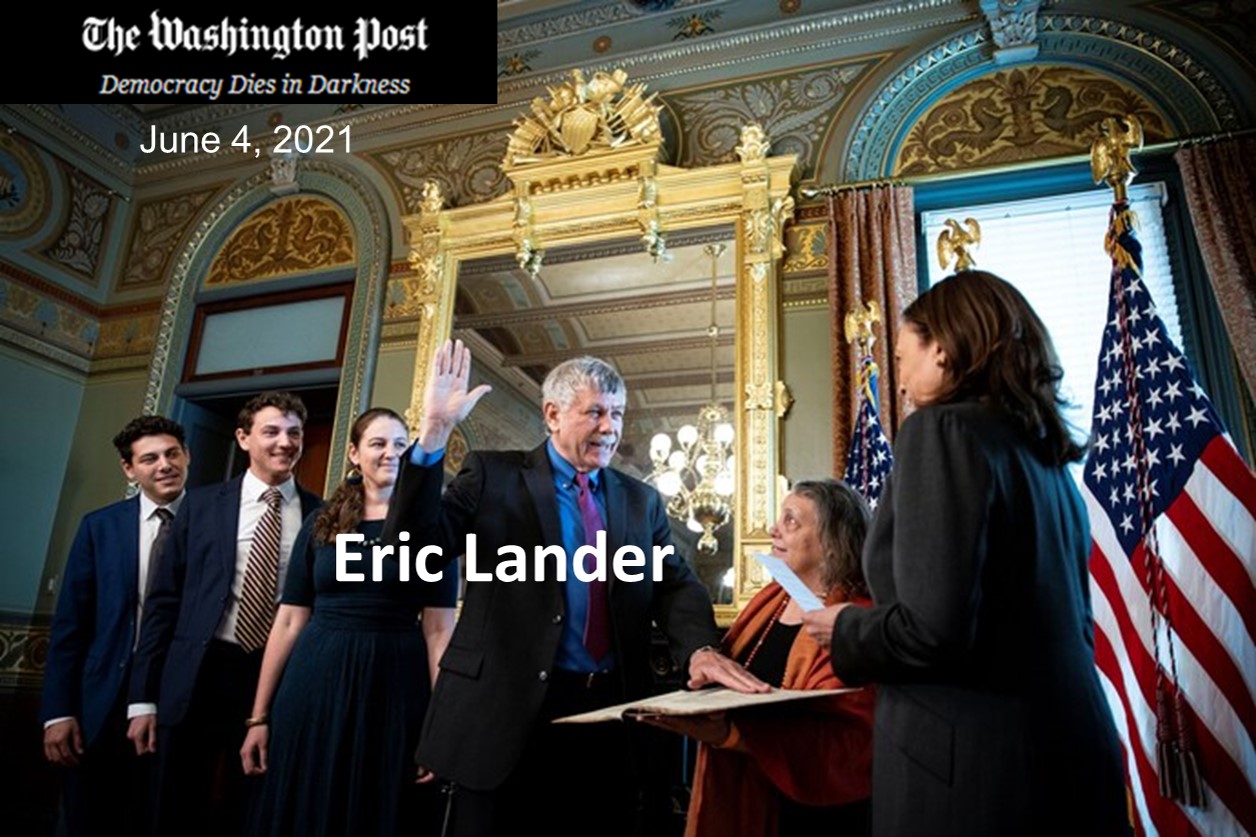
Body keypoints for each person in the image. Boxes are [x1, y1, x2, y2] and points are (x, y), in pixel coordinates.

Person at [382, 339, 767, 837]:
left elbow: (674, 584)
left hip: (607, 720)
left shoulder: (641, 501)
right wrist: (434, 432)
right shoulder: (492, 475)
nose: (611, 428)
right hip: (504, 720)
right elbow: (412, 553)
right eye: (596, 413)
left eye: (618, 414)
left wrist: (698, 649)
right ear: (552, 414)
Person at [801, 271, 1131, 836]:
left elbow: (934, 630)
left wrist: (846, 628)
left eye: (902, 358)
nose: (900, 383)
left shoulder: (941, 432)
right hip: (1068, 756)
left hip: (973, 776)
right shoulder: (1045, 459)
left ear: (943, 350)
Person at [241, 407, 458, 836]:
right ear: (355, 454)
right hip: (315, 680)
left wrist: (440, 725)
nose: (391, 453)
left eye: (401, 445)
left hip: (396, 685)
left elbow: (439, 631)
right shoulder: (321, 523)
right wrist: (258, 717)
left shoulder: (433, 530)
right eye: (378, 443)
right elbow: (289, 620)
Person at [127, 391, 322, 837]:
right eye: (271, 431)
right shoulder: (198, 505)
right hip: (199, 672)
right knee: (177, 805)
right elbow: (162, 605)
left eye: (294, 433)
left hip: (277, 677)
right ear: (243, 438)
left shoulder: (322, 515)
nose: (285, 442)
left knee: (253, 803)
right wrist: (143, 698)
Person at [643, 480, 874, 837]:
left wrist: (731, 734)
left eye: (791, 520)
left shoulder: (856, 620)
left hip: (812, 815)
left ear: (833, 541)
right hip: (743, 796)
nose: (772, 529)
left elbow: (849, 743)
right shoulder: (772, 598)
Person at [41, 415, 190, 837]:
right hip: (102, 698)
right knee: (88, 816)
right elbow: (71, 625)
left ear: (187, 456)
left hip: (175, 697)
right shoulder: (100, 527)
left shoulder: (212, 524)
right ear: (129, 468)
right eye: (150, 458)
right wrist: (57, 711)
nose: (165, 465)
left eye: (172, 454)